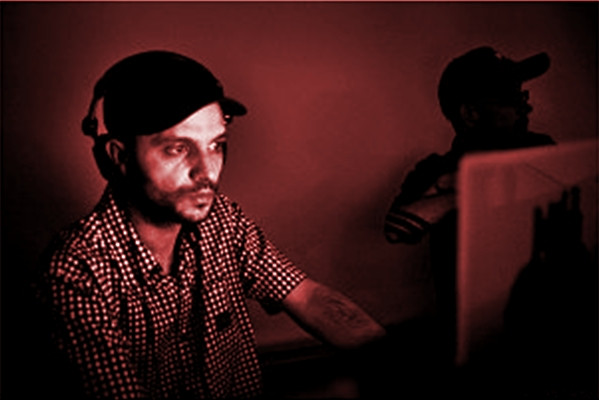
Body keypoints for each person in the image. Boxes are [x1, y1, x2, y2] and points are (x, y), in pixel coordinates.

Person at [33, 50, 386, 400]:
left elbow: (307, 297)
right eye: (177, 148)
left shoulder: (224, 221)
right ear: (119, 157)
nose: (207, 172)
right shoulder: (74, 275)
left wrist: (393, 363)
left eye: (216, 146)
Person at [383, 46, 555, 363]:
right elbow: (396, 229)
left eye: (522, 94)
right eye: (510, 97)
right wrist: (466, 189)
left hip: (551, 334)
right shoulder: (435, 170)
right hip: (478, 348)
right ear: (470, 113)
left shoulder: (542, 151)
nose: (524, 105)